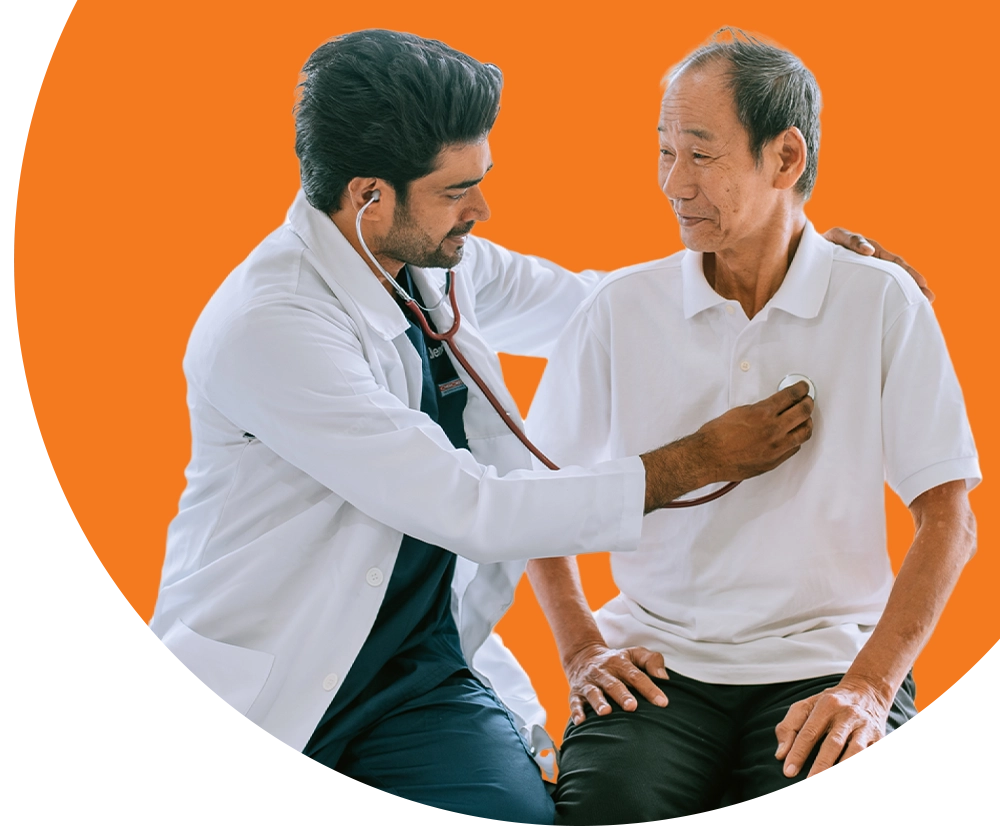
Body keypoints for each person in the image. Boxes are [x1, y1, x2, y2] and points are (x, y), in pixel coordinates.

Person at [149, 28, 926, 824]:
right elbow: (473, 507)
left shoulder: (433, 259)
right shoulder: (270, 326)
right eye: (457, 191)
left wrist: (809, 271)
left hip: (415, 677)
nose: (481, 211)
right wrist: (690, 463)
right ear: (368, 196)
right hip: (270, 682)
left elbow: (612, 310)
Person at [525, 29, 980, 824]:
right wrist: (582, 649)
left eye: (700, 154)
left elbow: (949, 522)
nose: (673, 181)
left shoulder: (880, 300)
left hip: (827, 655)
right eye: (663, 151)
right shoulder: (619, 310)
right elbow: (538, 501)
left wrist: (869, 686)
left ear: (785, 157)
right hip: (659, 662)